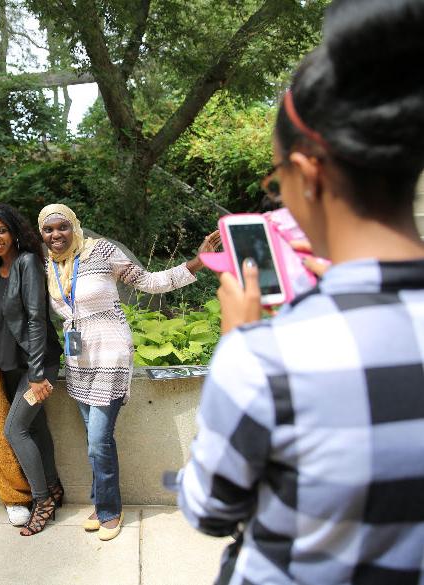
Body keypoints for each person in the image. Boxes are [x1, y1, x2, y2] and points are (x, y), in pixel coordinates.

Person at [177, 1, 424, 582]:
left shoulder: (266, 360)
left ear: (308, 173)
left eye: (276, 182)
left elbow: (209, 508)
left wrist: (239, 339)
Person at [38, 203, 220, 541]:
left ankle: (110, 510)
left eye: (61, 227)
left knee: (98, 439)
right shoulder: (49, 265)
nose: (55, 235)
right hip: (78, 360)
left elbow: (149, 282)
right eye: (48, 230)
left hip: (111, 350)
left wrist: (197, 262)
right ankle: (102, 502)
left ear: (74, 226)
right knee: (96, 440)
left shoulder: (101, 250)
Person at [0, 203, 64, 536]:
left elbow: (36, 319)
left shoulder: (27, 263)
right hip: (12, 365)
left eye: (1, 230)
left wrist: (39, 373)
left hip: (35, 364)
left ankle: (42, 501)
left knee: (14, 430)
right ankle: (54, 487)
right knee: (36, 427)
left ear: (13, 231)